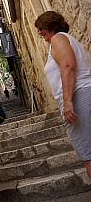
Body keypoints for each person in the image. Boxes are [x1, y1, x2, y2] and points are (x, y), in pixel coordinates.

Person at [35, 10, 91, 178]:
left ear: (50, 24)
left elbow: (68, 66)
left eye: (40, 28)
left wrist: (67, 102)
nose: (39, 32)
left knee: (88, 155)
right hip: (84, 93)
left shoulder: (58, 38)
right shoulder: (68, 40)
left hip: (79, 97)